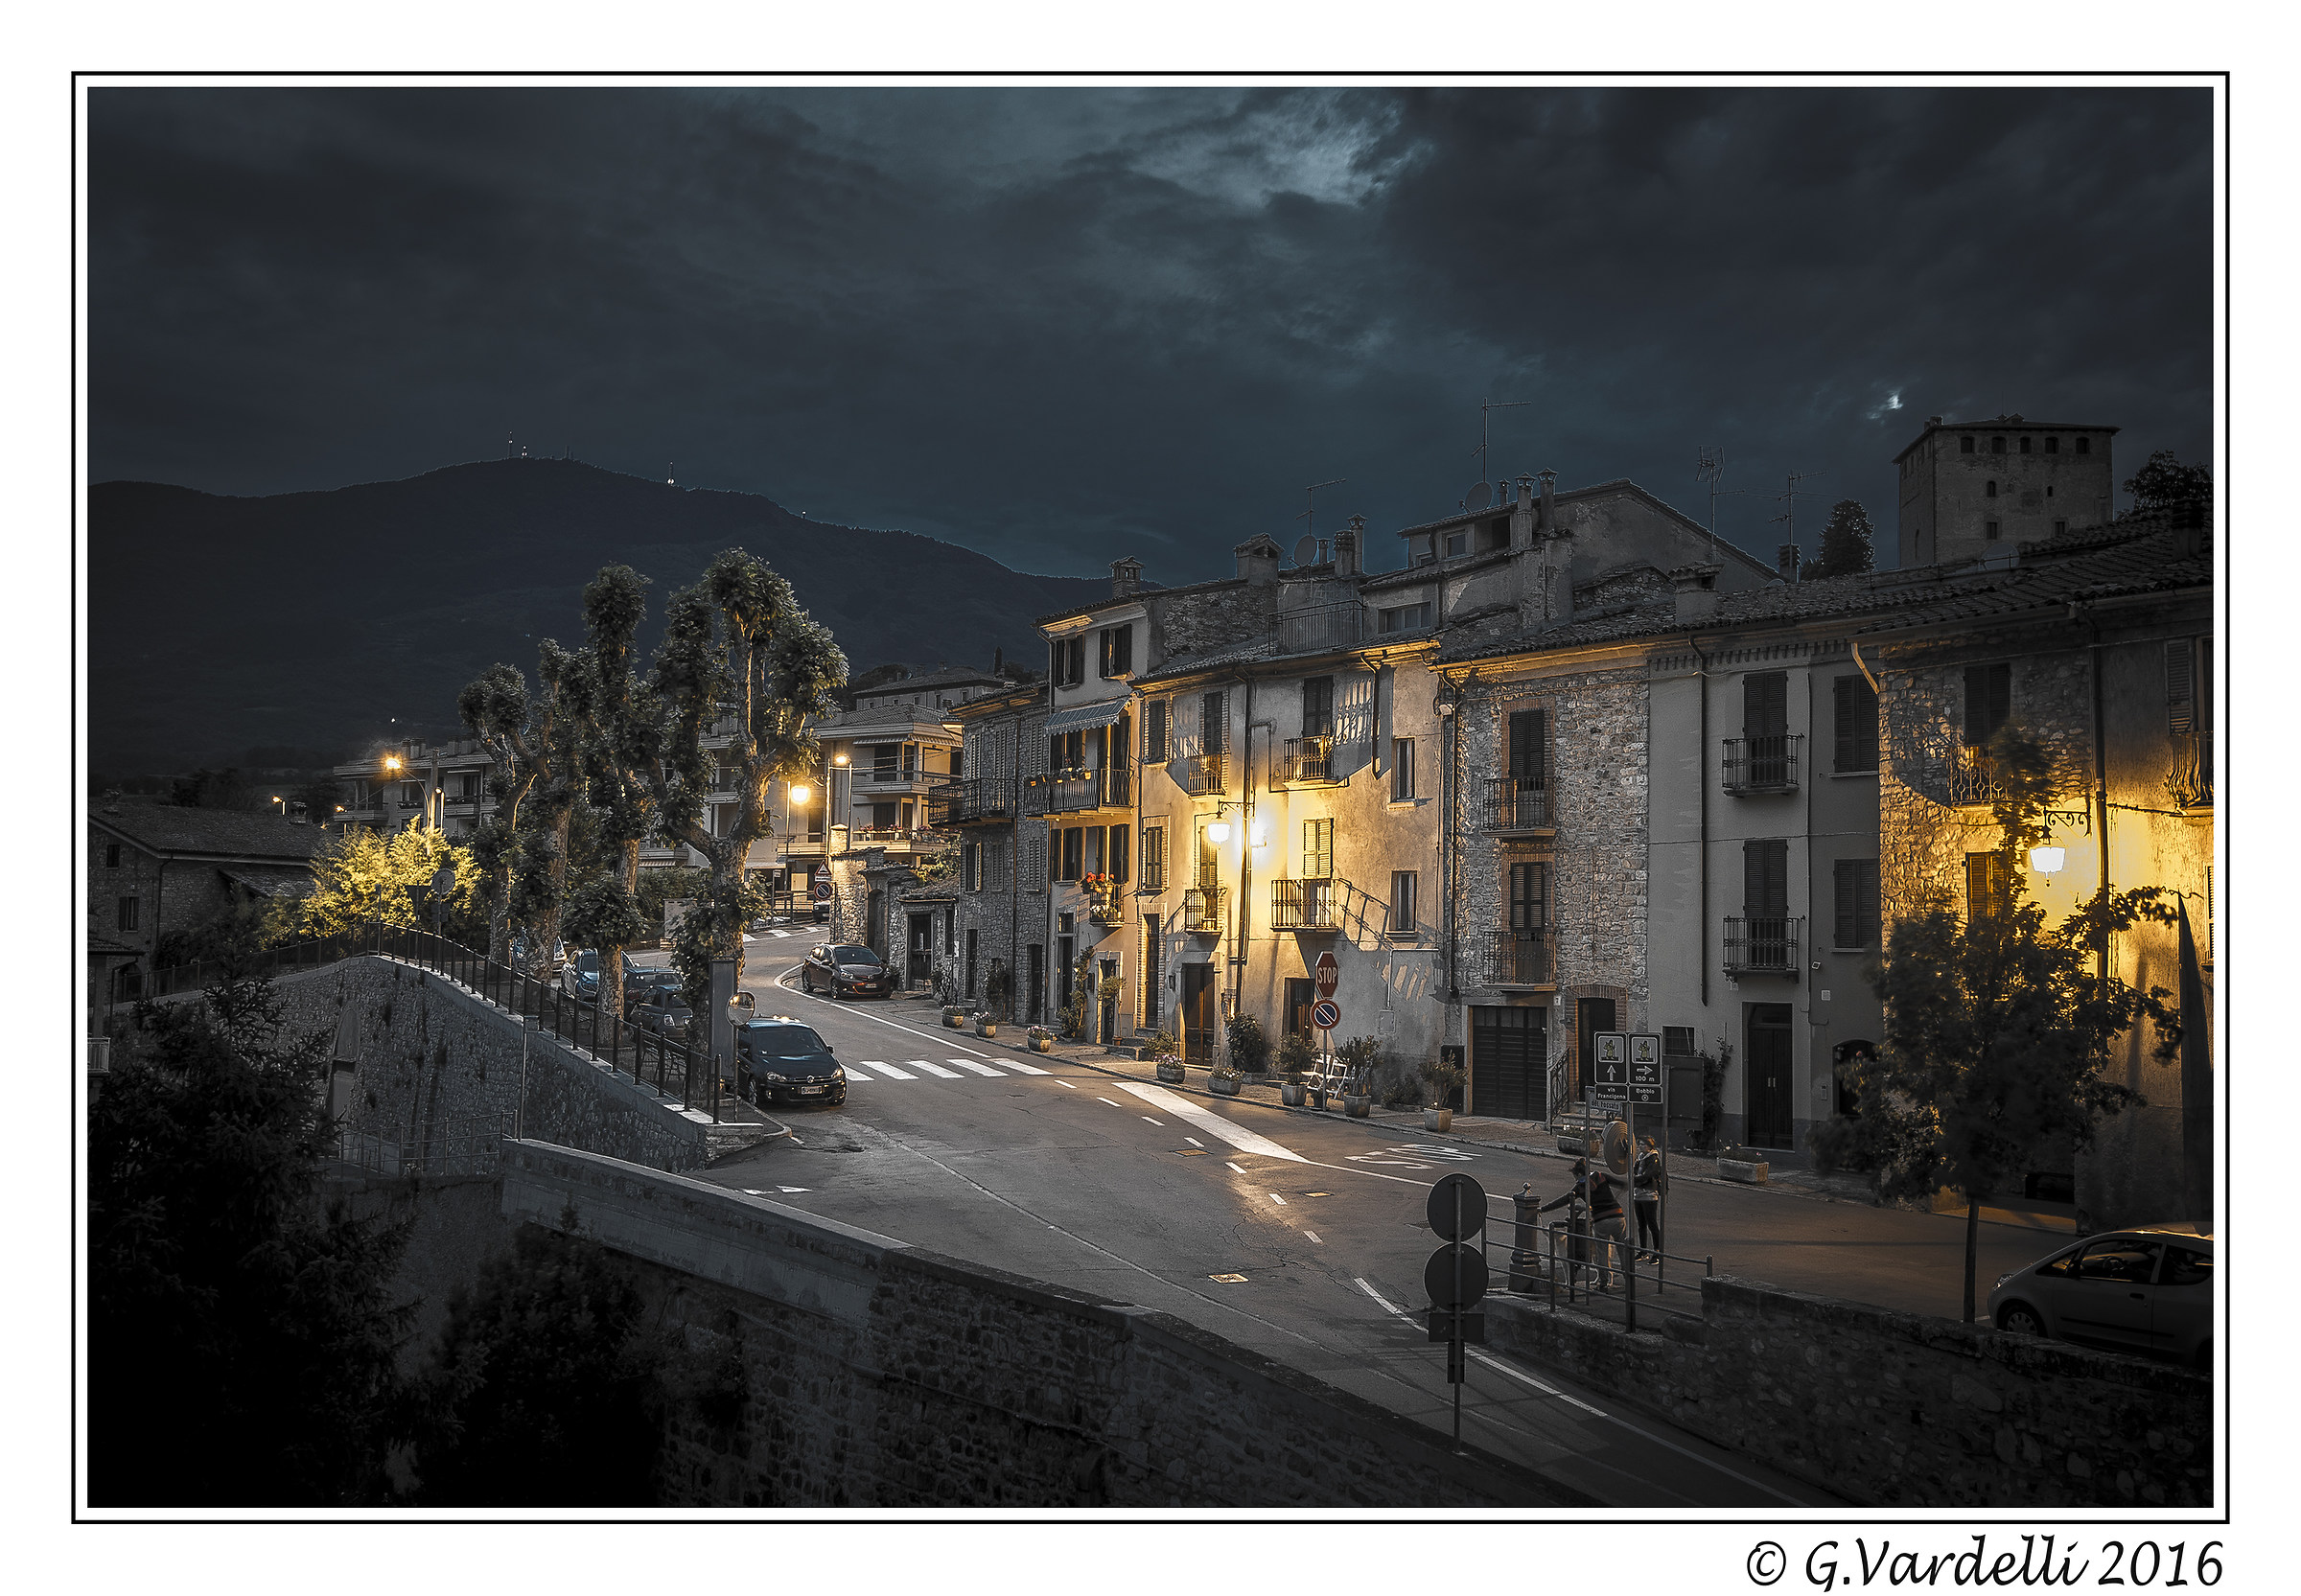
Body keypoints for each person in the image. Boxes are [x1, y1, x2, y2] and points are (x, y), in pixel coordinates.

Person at [1539, 1156, 1627, 1289]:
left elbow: (1563, 1200)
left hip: (1601, 1220)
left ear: (1579, 1174)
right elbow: (1622, 1184)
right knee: (1623, 1250)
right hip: (1618, 1216)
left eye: (1575, 1176)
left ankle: (1603, 1283)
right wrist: (1614, 1198)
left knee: (1602, 1252)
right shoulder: (1601, 1176)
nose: (1575, 1179)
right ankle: (1628, 1277)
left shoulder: (1580, 1187)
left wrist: (1542, 1209)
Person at [1632, 1136, 1664, 1261]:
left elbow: (1648, 1175)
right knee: (1641, 1224)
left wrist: (1634, 1180)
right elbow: (1634, 1171)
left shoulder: (1654, 1159)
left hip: (1649, 1195)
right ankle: (1643, 1251)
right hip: (1638, 1194)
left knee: (1652, 1223)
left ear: (1650, 1146)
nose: (1640, 1146)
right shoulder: (1639, 1158)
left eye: (1643, 1144)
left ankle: (1657, 1252)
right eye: (1639, 1144)